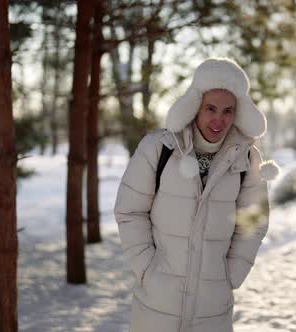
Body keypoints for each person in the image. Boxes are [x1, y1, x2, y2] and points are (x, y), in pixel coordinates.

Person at [114, 58, 279, 332]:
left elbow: (254, 223)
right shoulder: (160, 148)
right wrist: (147, 269)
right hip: (158, 304)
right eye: (211, 108)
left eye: (228, 111)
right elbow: (129, 210)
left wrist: (229, 276)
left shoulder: (246, 159)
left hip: (212, 309)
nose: (219, 119)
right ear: (195, 106)